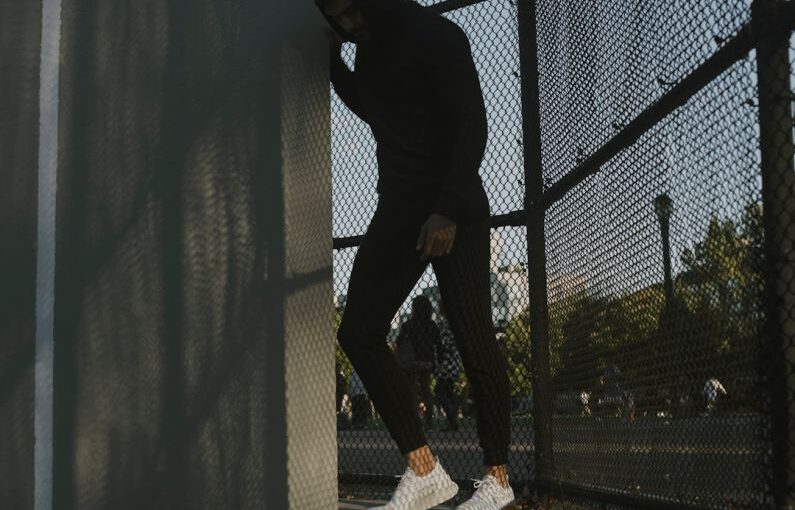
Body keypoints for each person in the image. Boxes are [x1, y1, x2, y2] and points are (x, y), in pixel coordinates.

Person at [316, 0, 514, 508]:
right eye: (335, 16)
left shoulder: (438, 35)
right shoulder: (370, 54)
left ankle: (498, 481)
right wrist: (336, 62)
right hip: (401, 209)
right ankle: (425, 470)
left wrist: (446, 207)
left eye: (350, 11)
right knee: (358, 330)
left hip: (454, 208)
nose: (346, 23)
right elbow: (373, 107)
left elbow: (471, 121)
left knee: (474, 340)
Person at [395, 296, 439, 430]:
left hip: (412, 361)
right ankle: (429, 422)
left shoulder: (408, 325)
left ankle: (414, 422)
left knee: (412, 391)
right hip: (427, 361)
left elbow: (399, 341)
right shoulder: (431, 325)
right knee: (426, 390)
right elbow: (438, 343)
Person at [434, 313, 464, 432]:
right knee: (447, 390)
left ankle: (451, 417)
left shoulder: (445, 324)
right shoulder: (457, 322)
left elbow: (444, 343)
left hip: (447, 362)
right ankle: (452, 420)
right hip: (454, 360)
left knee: (440, 390)